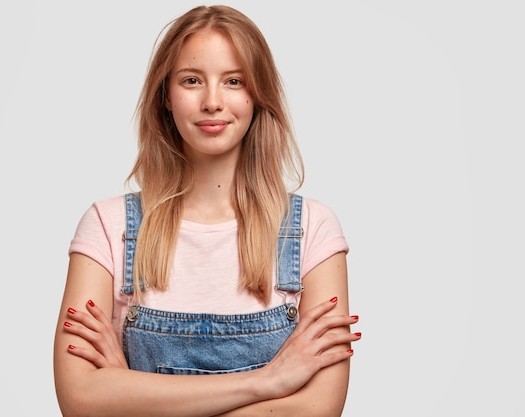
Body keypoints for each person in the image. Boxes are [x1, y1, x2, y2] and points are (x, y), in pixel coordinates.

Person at [53, 4, 360, 417]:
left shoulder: (313, 231)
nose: (212, 101)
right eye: (192, 80)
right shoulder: (108, 229)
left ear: (258, 95)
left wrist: (129, 392)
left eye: (234, 81)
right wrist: (268, 381)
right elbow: (81, 402)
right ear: (166, 95)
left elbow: (318, 409)